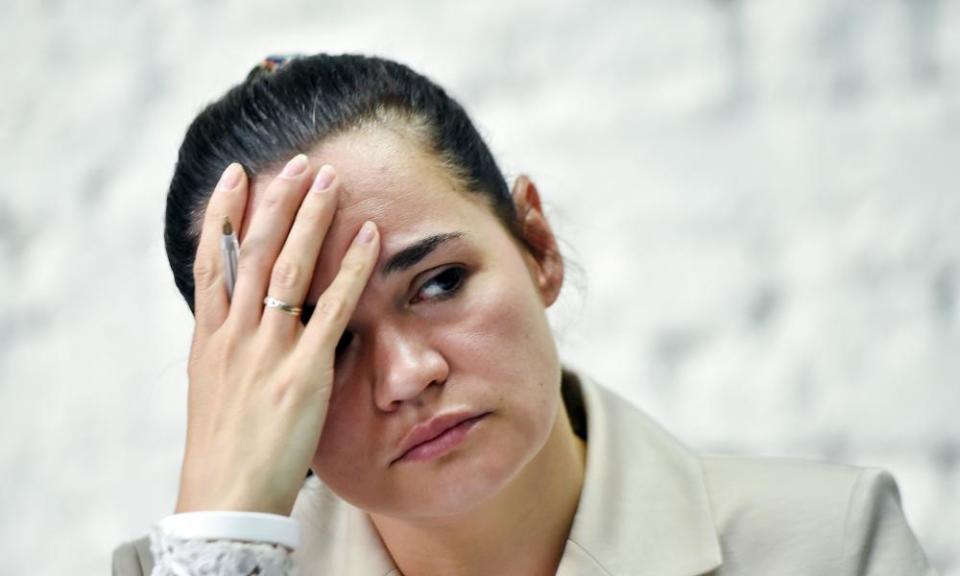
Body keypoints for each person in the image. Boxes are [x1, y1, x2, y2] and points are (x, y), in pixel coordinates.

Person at [112, 53, 937, 575]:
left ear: (536, 244)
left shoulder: (830, 546)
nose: (407, 376)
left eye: (437, 283)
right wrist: (221, 540)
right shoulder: (182, 570)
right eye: (326, 344)